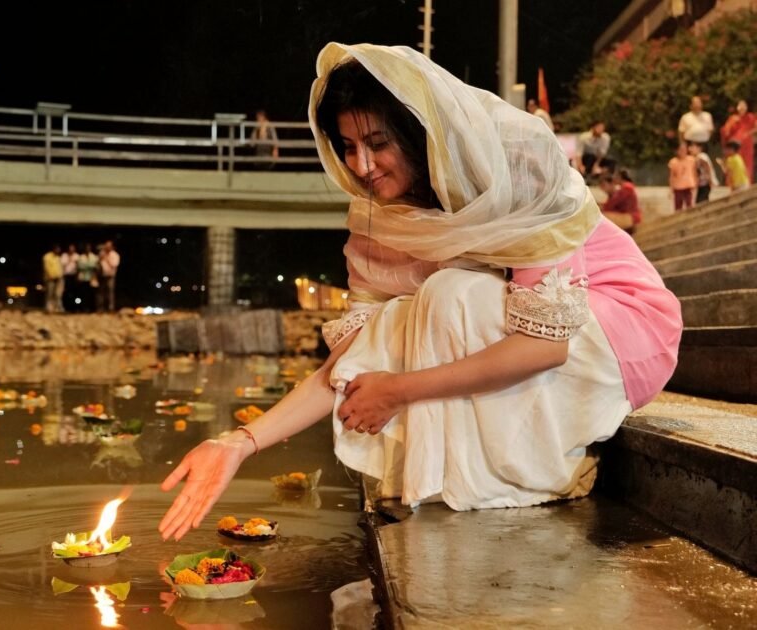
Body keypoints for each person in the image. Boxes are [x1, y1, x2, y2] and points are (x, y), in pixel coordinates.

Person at [158, 43, 682, 542]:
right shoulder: (377, 226)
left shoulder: (514, 170)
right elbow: (347, 361)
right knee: (404, 315)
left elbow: (545, 345)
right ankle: (471, 483)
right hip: (520, 338)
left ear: (417, 133)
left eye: (378, 143)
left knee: (449, 293)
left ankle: (548, 470)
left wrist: (400, 388)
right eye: (348, 147)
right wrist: (239, 443)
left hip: (618, 333)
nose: (361, 166)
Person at [720, 99, 756, 184]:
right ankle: (733, 184)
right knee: (734, 163)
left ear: (747, 107)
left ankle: (747, 183)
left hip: (747, 145)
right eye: (740, 105)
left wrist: (748, 133)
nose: (742, 107)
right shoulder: (733, 118)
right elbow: (725, 131)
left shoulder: (751, 117)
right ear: (737, 107)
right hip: (735, 146)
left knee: (747, 165)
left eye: (744, 105)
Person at [667, 142, 697, 211]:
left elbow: (694, 172)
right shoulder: (673, 162)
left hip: (688, 186)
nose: (682, 151)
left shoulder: (691, 160)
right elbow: (672, 176)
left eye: (684, 149)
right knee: (678, 207)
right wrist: (671, 189)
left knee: (689, 206)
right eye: (680, 150)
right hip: (678, 187)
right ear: (677, 151)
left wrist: (695, 183)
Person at [97, 240, 120, 312]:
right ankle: (101, 308)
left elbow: (114, 265)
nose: (107, 247)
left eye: (108, 246)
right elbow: (98, 264)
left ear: (112, 247)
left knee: (110, 292)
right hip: (102, 276)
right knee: (101, 292)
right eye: (106, 246)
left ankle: (110, 307)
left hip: (110, 276)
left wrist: (106, 258)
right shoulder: (102, 254)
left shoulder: (115, 255)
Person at [76, 243, 100, 312]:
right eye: (86, 248)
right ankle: (83, 308)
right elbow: (80, 266)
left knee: (92, 294)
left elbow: (96, 266)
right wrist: (90, 266)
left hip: (92, 278)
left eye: (89, 248)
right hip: (83, 278)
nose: (87, 249)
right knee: (83, 294)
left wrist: (88, 266)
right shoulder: (81, 257)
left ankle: (92, 308)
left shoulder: (94, 256)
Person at [42, 245, 64, 313]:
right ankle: (49, 308)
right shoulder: (47, 257)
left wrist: (60, 276)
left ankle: (58, 308)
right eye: (57, 249)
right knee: (50, 293)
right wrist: (52, 276)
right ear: (54, 249)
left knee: (58, 294)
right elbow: (46, 268)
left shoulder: (58, 257)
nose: (58, 251)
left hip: (59, 279)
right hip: (50, 278)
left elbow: (60, 267)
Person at [60, 243, 80, 312]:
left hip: (74, 276)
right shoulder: (64, 255)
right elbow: (62, 264)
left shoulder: (77, 256)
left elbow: (78, 266)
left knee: (75, 293)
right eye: (70, 248)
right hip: (66, 276)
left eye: (73, 248)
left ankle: (75, 307)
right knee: (66, 292)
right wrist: (69, 258)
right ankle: (66, 307)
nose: (71, 250)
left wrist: (78, 276)